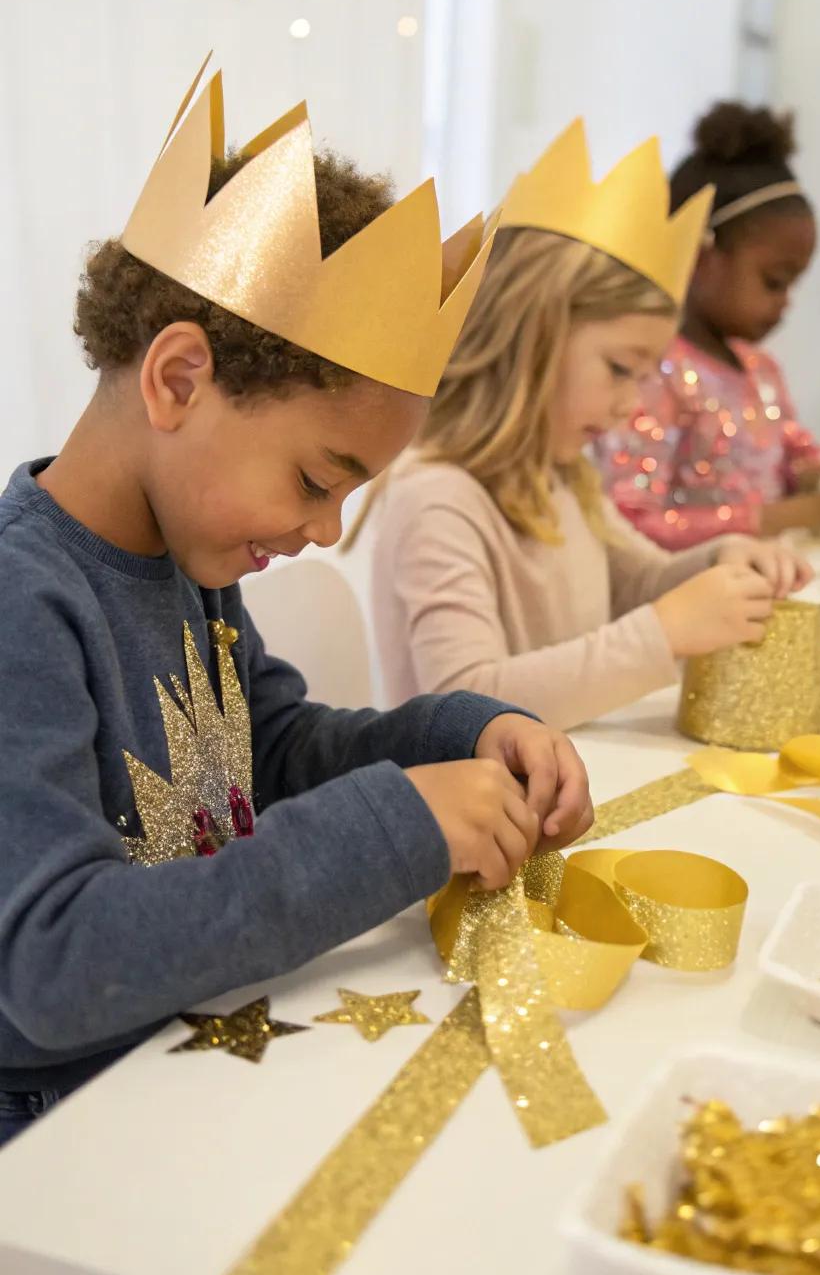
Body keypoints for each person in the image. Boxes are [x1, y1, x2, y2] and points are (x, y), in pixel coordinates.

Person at [0, 60, 592, 1147]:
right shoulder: (21, 608)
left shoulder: (189, 564)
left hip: (204, 1071)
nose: (325, 532)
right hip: (67, 1153)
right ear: (178, 381)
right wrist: (394, 829)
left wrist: (464, 733)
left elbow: (272, 746)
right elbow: (47, 964)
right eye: (319, 479)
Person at [360, 120, 811, 732]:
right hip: (463, 807)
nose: (631, 404)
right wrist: (666, 632)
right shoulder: (438, 499)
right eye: (620, 369)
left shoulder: (561, 475)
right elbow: (465, 698)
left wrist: (716, 562)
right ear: (531, 339)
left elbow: (637, 582)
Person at [603, 103, 820, 548]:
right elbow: (634, 525)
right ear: (701, 257)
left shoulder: (759, 370)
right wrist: (813, 511)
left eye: (792, 285)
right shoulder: (654, 373)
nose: (785, 303)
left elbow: (799, 462)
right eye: (774, 282)